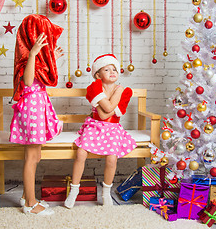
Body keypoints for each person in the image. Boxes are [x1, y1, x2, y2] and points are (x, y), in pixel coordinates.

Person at [64, 54, 137, 208]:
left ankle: (106, 192)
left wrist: (115, 97)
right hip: (94, 125)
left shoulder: (125, 91)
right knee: (81, 153)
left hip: (113, 129)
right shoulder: (94, 88)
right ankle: (74, 190)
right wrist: (116, 96)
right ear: (98, 75)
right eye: (106, 69)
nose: (112, 72)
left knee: (112, 158)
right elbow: (105, 113)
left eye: (114, 69)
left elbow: (109, 112)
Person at [9, 14, 64, 215]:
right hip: (31, 110)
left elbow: (43, 77)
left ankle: (26, 195)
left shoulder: (36, 61)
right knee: (31, 157)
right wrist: (32, 54)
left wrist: (52, 59)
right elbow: (30, 81)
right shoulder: (26, 60)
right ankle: (30, 204)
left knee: (36, 155)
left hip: (37, 108)